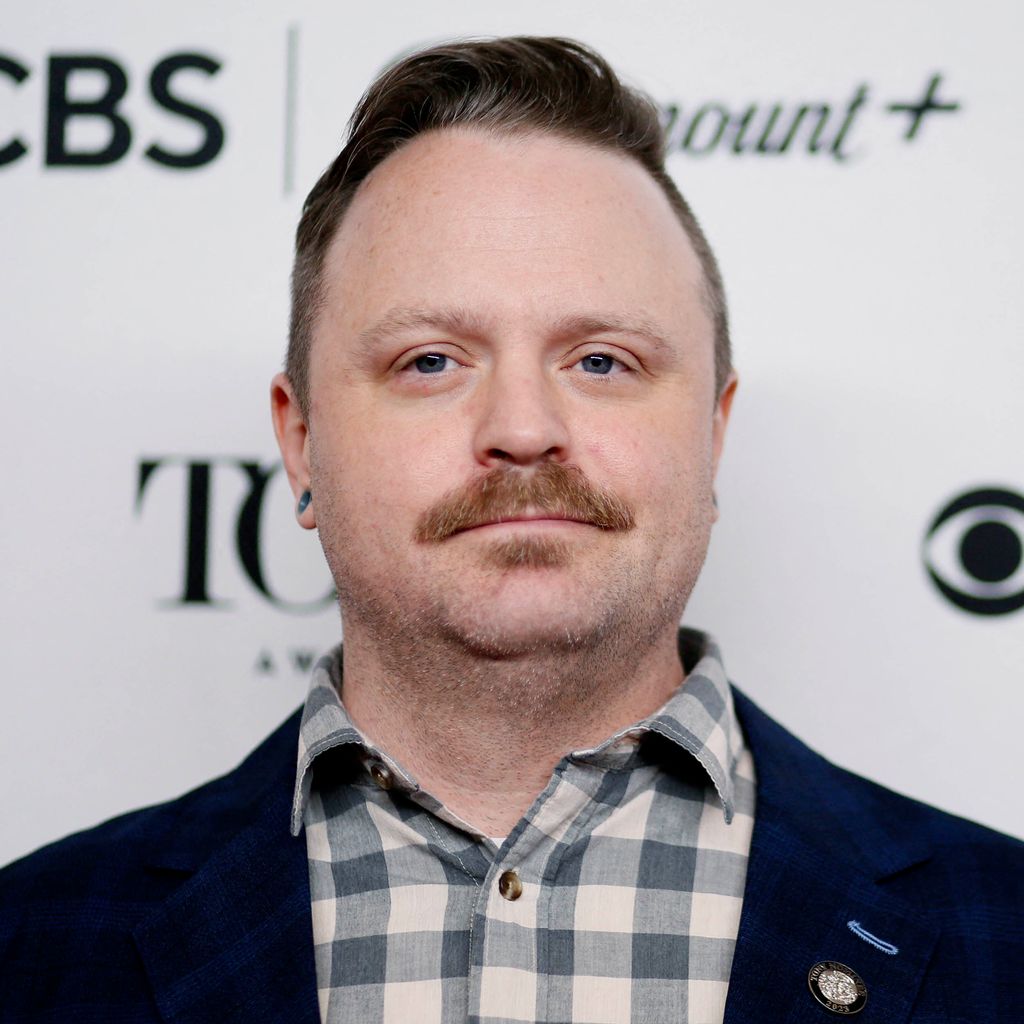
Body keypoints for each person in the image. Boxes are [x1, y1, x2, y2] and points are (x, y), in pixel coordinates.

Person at [1, 36, 1020, 1024]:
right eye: (431, 361)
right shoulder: (30, 946)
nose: (524, 431)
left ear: (712, 430)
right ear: (301, 440)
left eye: (603, 361)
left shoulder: (1003, 934)